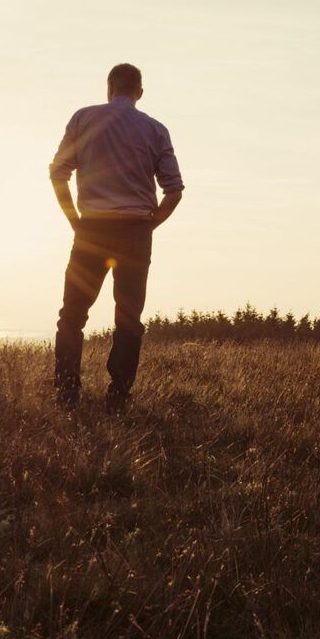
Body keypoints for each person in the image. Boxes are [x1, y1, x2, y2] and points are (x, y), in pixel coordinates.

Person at [49, 63, 184, 411]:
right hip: (135, 233)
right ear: (139, 93)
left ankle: (67, 392)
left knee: (72, 315)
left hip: (91, 229)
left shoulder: (83, 118)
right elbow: (173, 191)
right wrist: (148, 225)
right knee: (128, 317)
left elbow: (58, 173)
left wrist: (75, 221)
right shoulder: (155, 129)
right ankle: (118, 396)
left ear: (109, 87)